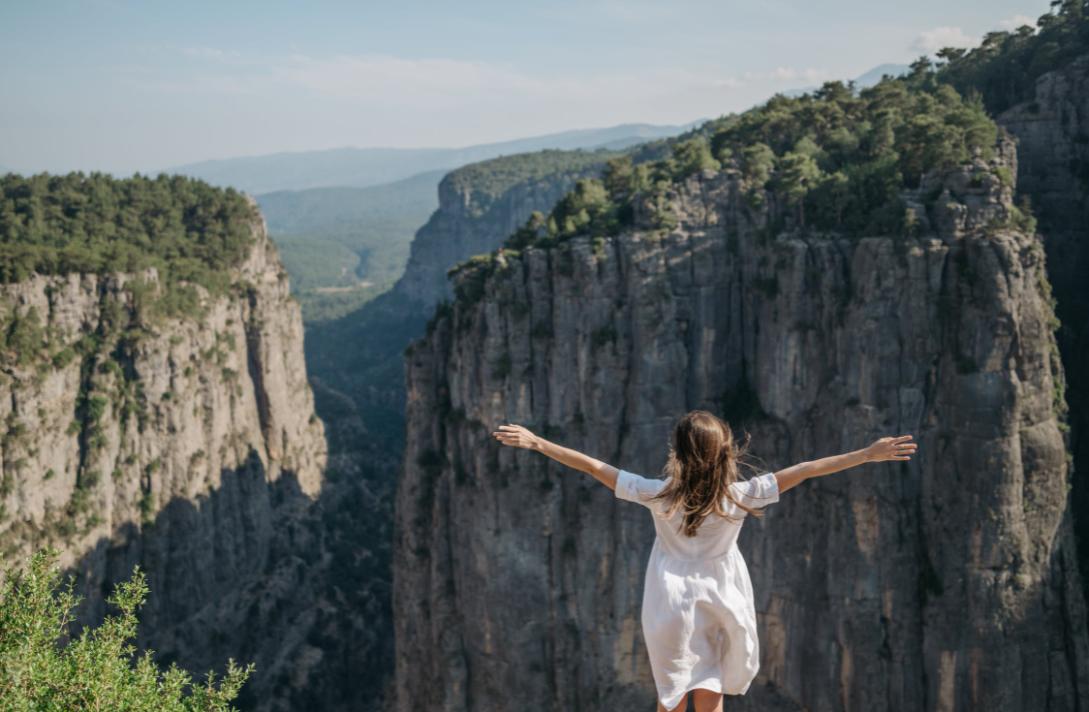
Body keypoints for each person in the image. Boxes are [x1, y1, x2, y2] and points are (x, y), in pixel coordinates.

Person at [493, 409, 916, 712]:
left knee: (671, 693)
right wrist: (866, 453)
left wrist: (537, 442)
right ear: (725, 453)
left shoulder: (658, 495)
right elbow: (805, 469)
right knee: (709, 690)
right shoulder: (741, 495)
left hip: (668, 603)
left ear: (677, 452)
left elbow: (593, 466)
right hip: (721, 599)